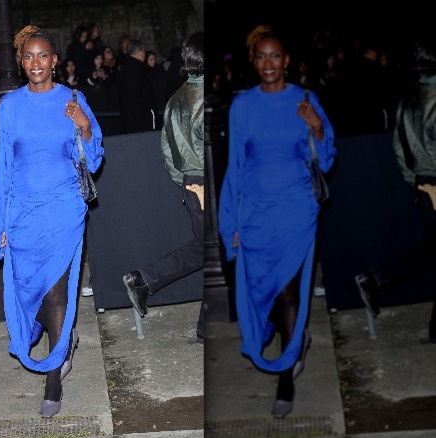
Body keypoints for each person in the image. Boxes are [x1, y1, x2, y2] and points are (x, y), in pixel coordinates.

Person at [217, 25, 336, 419]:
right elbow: (234, 168)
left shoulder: (305, 99)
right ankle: (294, 339)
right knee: (259, 293)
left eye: (275, 56)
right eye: (261, 57)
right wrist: (229, 220)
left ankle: (286, 375)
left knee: (288, 293)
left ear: (286, 61)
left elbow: (327, 157)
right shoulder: (242, 106)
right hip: (254, 214)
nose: (268, 63)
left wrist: (316, 125)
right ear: (254, 62)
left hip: (296, 213)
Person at [0, 25, 103, 419]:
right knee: (27, 293)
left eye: (43, 56)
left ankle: (53, 378)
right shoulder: (10, 106)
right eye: (28, 57)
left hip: (63, 211)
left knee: (55, 294)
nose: (36, 63)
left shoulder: (73, 99)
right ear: (21, 62)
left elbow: (94, 157)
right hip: (22, 213)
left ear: (55, 60)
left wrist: (84, 126)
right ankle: (63, 338)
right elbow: (3, 168)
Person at [122, 31, 206, 344]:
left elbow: (168, 152)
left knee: (204, 250)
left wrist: (186, 184)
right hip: (207, 186)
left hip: (191, 186)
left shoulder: (175, 100)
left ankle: (143, 280)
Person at [354, 37, 436, 343]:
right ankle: (375, 278)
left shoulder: (408, 101)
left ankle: (375, 279)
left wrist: (416, 182)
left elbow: (400, 152)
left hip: (422, 185)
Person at [116, 40, 157, 134]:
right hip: (142, 122)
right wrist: (144, 125)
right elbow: (136, 97)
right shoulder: (138, 69)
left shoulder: (124, 68)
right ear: (141, 51)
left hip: (128, 120)